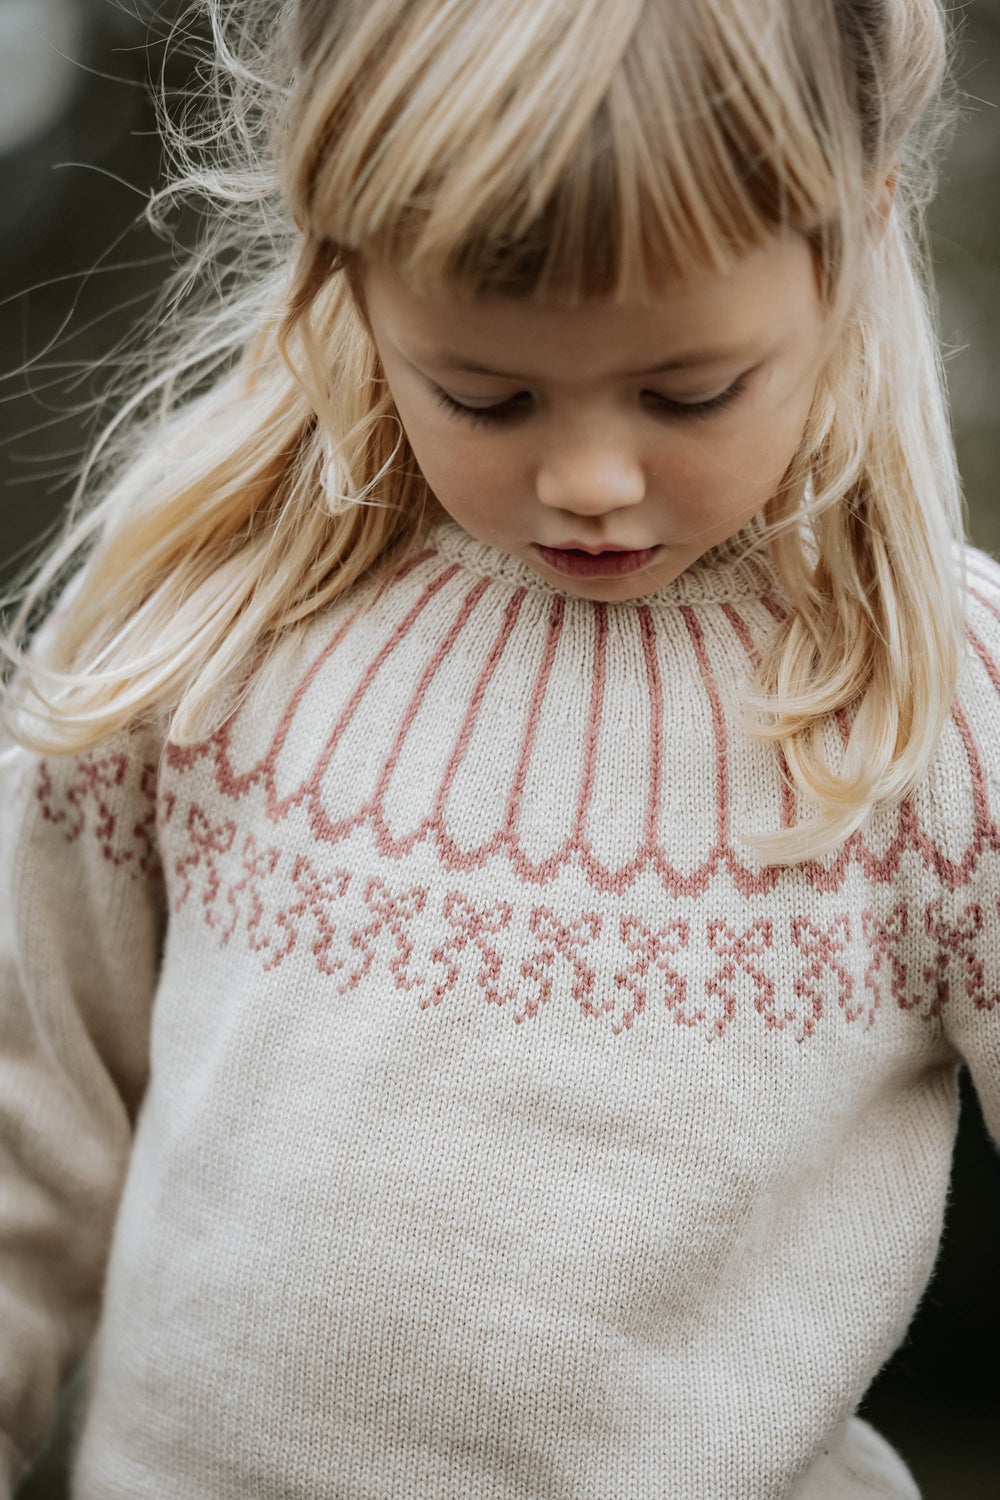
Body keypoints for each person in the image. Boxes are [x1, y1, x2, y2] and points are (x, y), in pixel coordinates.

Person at [0, 0, 996, 1495]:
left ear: (854, 235)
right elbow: (30, 1125)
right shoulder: (206, 609)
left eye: (688, 391)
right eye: (486, 393)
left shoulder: (940, 708)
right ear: (345, 277)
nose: (589, 477)